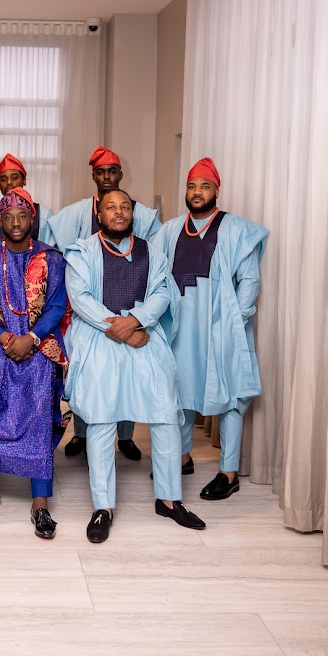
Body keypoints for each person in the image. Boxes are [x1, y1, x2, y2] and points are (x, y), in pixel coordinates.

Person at [64, 189, 206, 542]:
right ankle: (103, 506)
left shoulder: (152, 252)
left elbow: (162, 292)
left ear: (133, 214)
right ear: (99, 213)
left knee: (164, 415)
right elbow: (80, 297)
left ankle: (170, 499)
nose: (119, 212)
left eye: (125, 207)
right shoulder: (83, 251)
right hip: (102, 340)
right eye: (111, 207)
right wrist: (122, 328)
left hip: (145, 339)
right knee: (100, 418)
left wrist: (137, 320)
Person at [153, 158, 269, 500]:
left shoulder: (236, 229)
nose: (198, 192)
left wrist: (235, 320)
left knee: (231, 395)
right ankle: (183, 457)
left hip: (222, 325)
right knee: (180, 391)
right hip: (180, 326)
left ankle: (228, 471)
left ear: (217, 190)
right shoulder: (171, 230)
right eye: (192, 186)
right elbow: (156, 276)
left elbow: (249, 280)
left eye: (205, 186)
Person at [0, 188, 69, 539]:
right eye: (8, 217)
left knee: (39, 413)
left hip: (38, 344)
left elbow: (57, 306)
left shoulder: (51, 258)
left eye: (22, 216)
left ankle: (40, 501)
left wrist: (32, 338)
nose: (15, 223)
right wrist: (4, 337)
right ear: (0, 220)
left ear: (32, 219)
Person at [49, 146, 161, 461]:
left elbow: (154, 259)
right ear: (94, 176)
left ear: (121, 175)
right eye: (101, 172)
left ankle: (125, 437)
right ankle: (80, 434)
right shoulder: (74, 213)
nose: (107, 177)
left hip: (129, 302)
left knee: (126, 373)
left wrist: (134, 320)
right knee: (87, 373)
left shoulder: (142, 214)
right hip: (88, 310)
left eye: (112, 171)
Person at [0, 153, 55, 250]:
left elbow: (50, 253)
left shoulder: (44, 215)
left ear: (24, 180)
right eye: (3, 179)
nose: (9, 182)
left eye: (14, 177)